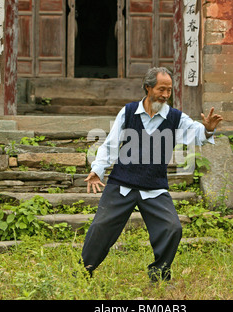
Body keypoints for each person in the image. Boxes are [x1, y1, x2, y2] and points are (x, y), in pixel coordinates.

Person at [81, 67, 223, 282]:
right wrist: (97, 170)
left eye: (169, 90)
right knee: (100, 227)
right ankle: (86, 269)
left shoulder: (175, 117)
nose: (166, 95)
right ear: (148, 88)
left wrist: (208, 130)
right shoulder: (128, 112)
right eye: (161, 89)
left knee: (172, 228)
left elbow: (197, 133)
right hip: (122, 183)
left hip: (154, 187)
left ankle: (159, 273)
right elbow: (110, 144)